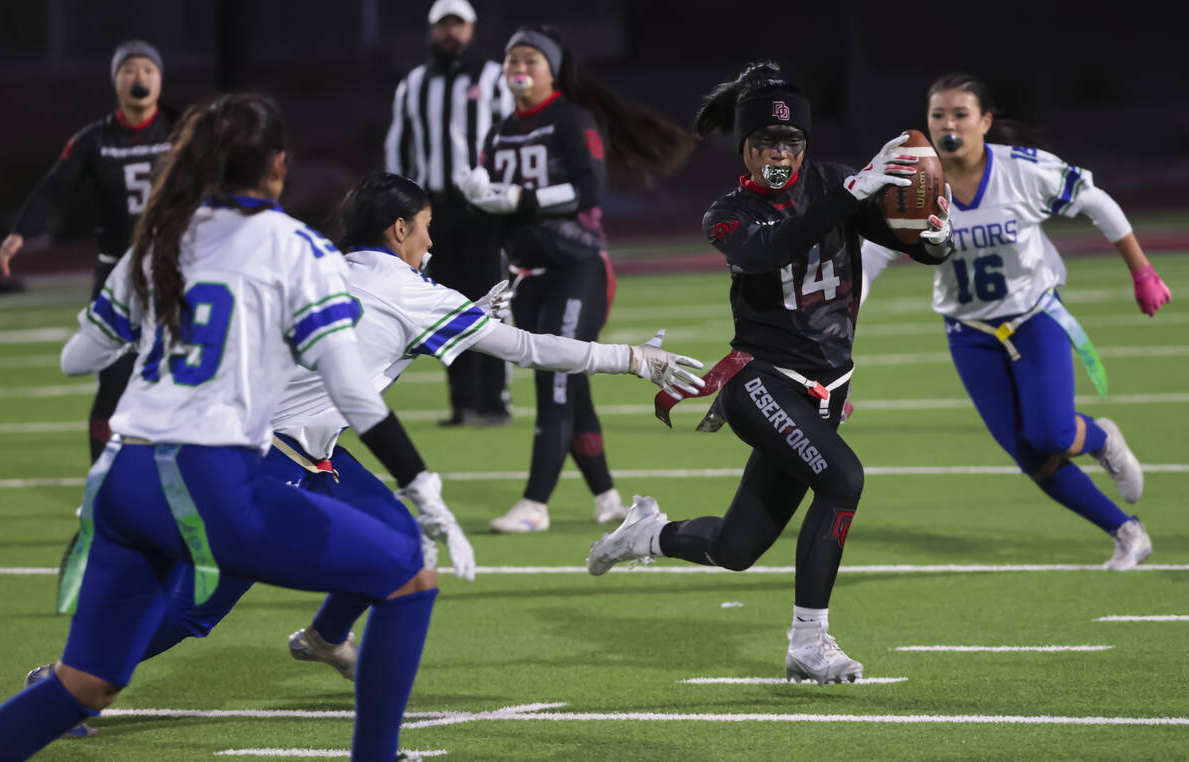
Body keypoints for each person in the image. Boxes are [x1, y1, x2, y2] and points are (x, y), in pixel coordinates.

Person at [20, 171, 705, 738]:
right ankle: (63, 680)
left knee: (399, 545)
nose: (432, 239)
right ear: (399, 229)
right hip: (264, 464)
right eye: (426, 227)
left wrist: (462, 312)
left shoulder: (330, 266)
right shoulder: (404, 289)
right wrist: (632, 357)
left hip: (297, 452)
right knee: (195, 608)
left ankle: (323, 638)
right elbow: (529, 349)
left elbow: (370, 343)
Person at [0, 93, 440, 762]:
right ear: (279, 165)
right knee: (409, 575)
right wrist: (417, 476)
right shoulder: (296, 247)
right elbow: (349, 386)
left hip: (120, 479)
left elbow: (76, 357)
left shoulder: (158, 237)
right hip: (207, 480)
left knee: (84, 684)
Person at [585, 62, 954, 685]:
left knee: (736, 548)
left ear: (805, 146)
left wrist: (935, 237)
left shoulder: (835, 185)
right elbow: (767, 248)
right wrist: (852, 190)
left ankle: (646, 534)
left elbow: (909, 239)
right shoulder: (728, 211)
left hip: (828, 389)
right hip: (761, 381)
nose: (779, 154)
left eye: (791, 143)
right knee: (843, 479)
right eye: (766, 143)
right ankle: (809, 642)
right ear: (745, 147)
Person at [859, 72, 1170, 570]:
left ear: (985, 121)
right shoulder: (915, 182)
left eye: (960, 113)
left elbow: (1097, 201)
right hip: (969, 331)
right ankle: (1126, 531)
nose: (948, 123)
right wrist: (842, 337)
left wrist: (1143, 272)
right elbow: (870, 259)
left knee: (1050, 433)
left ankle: (1101, 438)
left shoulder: (1022, 170)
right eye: (938, 114)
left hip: (1033, 314)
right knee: (1030, 456)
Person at [457, 24, 697, 533]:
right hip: (529, 275)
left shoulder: (571, 118)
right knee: (572, 383)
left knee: (555, 377)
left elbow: (588, 191)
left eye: (530, 61)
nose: (519, 70)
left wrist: (521, 199)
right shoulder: (500, 130)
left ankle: (535, 503)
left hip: (578, 268)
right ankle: (608, 497)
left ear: (551, 69)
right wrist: (477, 197)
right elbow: (497, 206)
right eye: (512, 61)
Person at [0, 40, 178, 463]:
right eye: (130, 69)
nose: (140, 77)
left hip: (173, 273)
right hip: (116, 276)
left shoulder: (181, 130)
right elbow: (56, 186)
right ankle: (102, 482)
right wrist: (22, 231)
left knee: (182, 380)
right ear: (116, 80)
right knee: (113, 382)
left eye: (148, 70)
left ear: (160, 79)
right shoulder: (94, 139)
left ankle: (175, 487)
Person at [385, 0, 514, 427]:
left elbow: (512, 139)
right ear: (432, 31)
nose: (450, 33)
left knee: (489, 299)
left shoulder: (495, 79)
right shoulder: (414, 83)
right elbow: (398, 148)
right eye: (443, 25)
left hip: (483, 207)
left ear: (472, 28)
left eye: (457, 24)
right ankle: (462, 402)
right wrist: (398, 204)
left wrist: (505, 192)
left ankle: (494, 400)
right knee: (445, 303)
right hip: (433, 208)